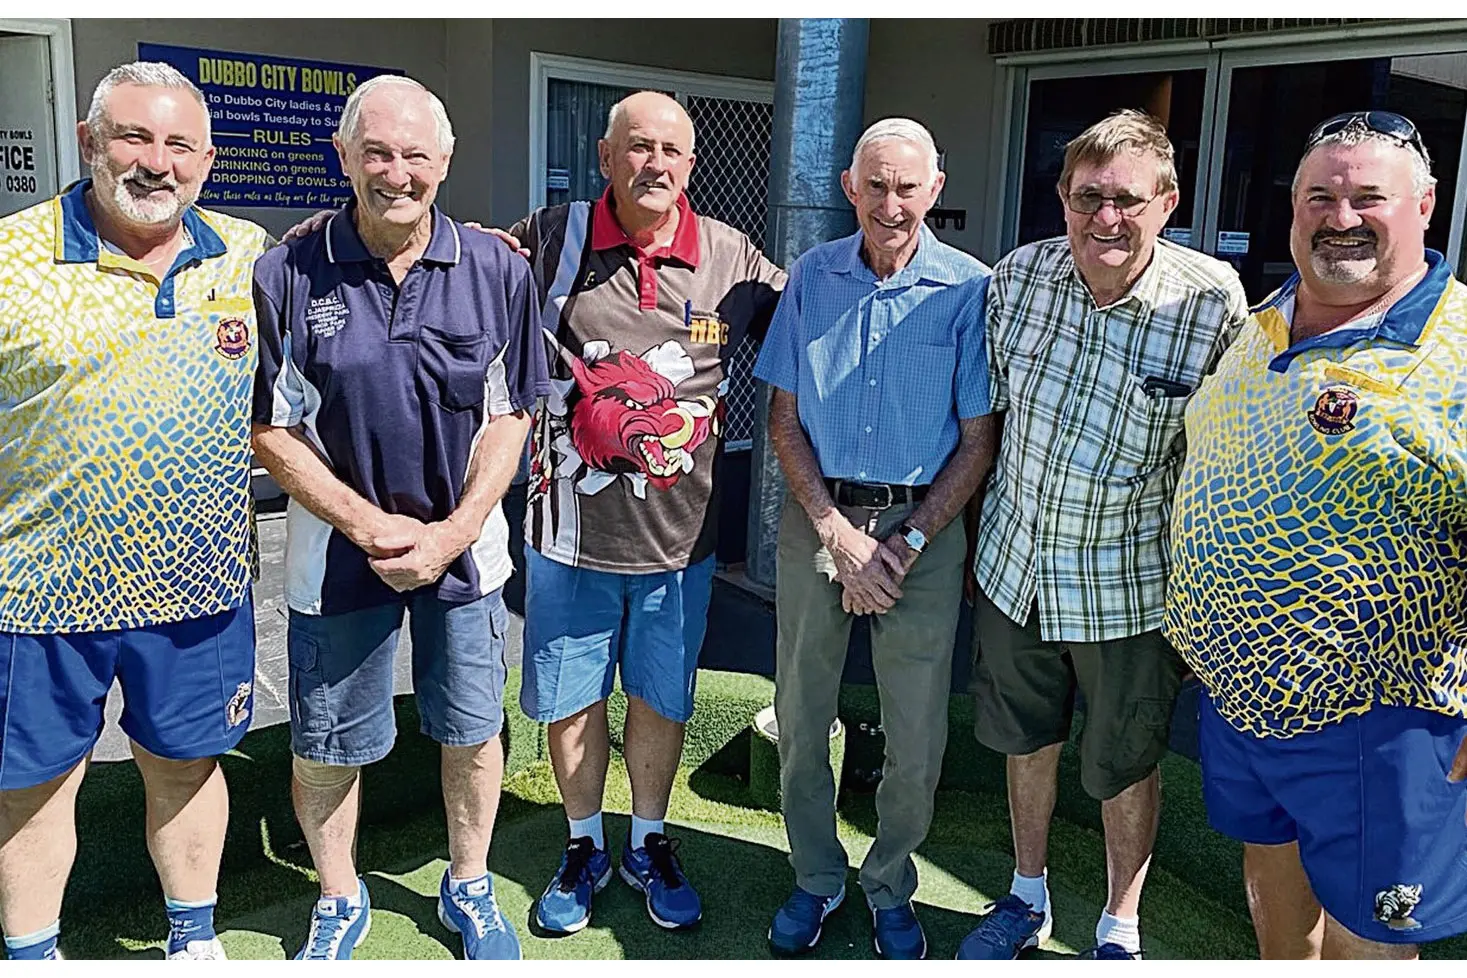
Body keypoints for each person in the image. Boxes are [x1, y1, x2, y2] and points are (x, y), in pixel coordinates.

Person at [251, 74, 547, 961]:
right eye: (376, 152)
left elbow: (512, 411)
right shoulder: (286, 271)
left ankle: (468, 884)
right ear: (343, 156)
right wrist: (364, 524)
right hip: (336, 561)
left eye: (415, 154)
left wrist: (451, 533)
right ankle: (339, 898)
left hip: (466, 558)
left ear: (444, 161)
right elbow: (271, 425)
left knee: (471, 728)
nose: (396, 172)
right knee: (329, 742)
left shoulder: (498, 269)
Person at [1165, 110, 1467, 960]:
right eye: (1318, 198)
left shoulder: (1457, 350)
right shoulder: (1261, 322)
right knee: (1274, 882)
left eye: (1368, 197)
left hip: (1383, 722)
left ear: (1425, 206)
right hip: (1238, 697)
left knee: (1369, 935)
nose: (1340, 217)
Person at [959, 109, 1249, 960]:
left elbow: (1220, 458)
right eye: (1088, 197)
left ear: (1165, 203)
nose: (1105, 219)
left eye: (1126, 199)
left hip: (1130, 590)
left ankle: (1119, 924)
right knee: (1027, 742)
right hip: (1015, 571)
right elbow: (991, 422)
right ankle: (1024, 897)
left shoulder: (1210, 301)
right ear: (1061, 198)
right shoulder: (1018, 278)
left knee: (1123, 762)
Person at [0, 61, 272, 961]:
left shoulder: (246, 254)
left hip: (197, 587)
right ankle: (34, 952)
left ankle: (192, 941)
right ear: (88, 143)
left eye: (179, 144)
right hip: (36, 594)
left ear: (206, 159)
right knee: (32, 786)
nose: (156, 162)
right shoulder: (10, 256)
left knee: (188, 773)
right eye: (133, 137)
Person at [506, 90, 784, 936]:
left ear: (690, 166)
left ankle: (649, 839)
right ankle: (584, 843)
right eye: (637, 147)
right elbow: (449, 259)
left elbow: (821, 314)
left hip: (682, 543)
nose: (654, 163)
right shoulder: (547, 239)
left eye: (670, 150)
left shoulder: (734, 257)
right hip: (568, 539)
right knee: (572, 700)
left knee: (662, 700)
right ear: (605, 157)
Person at [754, 118, 997, 960]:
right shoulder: (812, 279)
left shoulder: (969, 289)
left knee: (917, 729)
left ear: (934, 189)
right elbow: (783, 419)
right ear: (849, 188)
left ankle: (890, 882)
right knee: (799, 709)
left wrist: (906, 543)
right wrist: (833, 532)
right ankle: (815, 878)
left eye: (907, 187)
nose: (890, 204)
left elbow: (976, 442)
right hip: (819, 519)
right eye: (874, 186)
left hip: (918, 534)